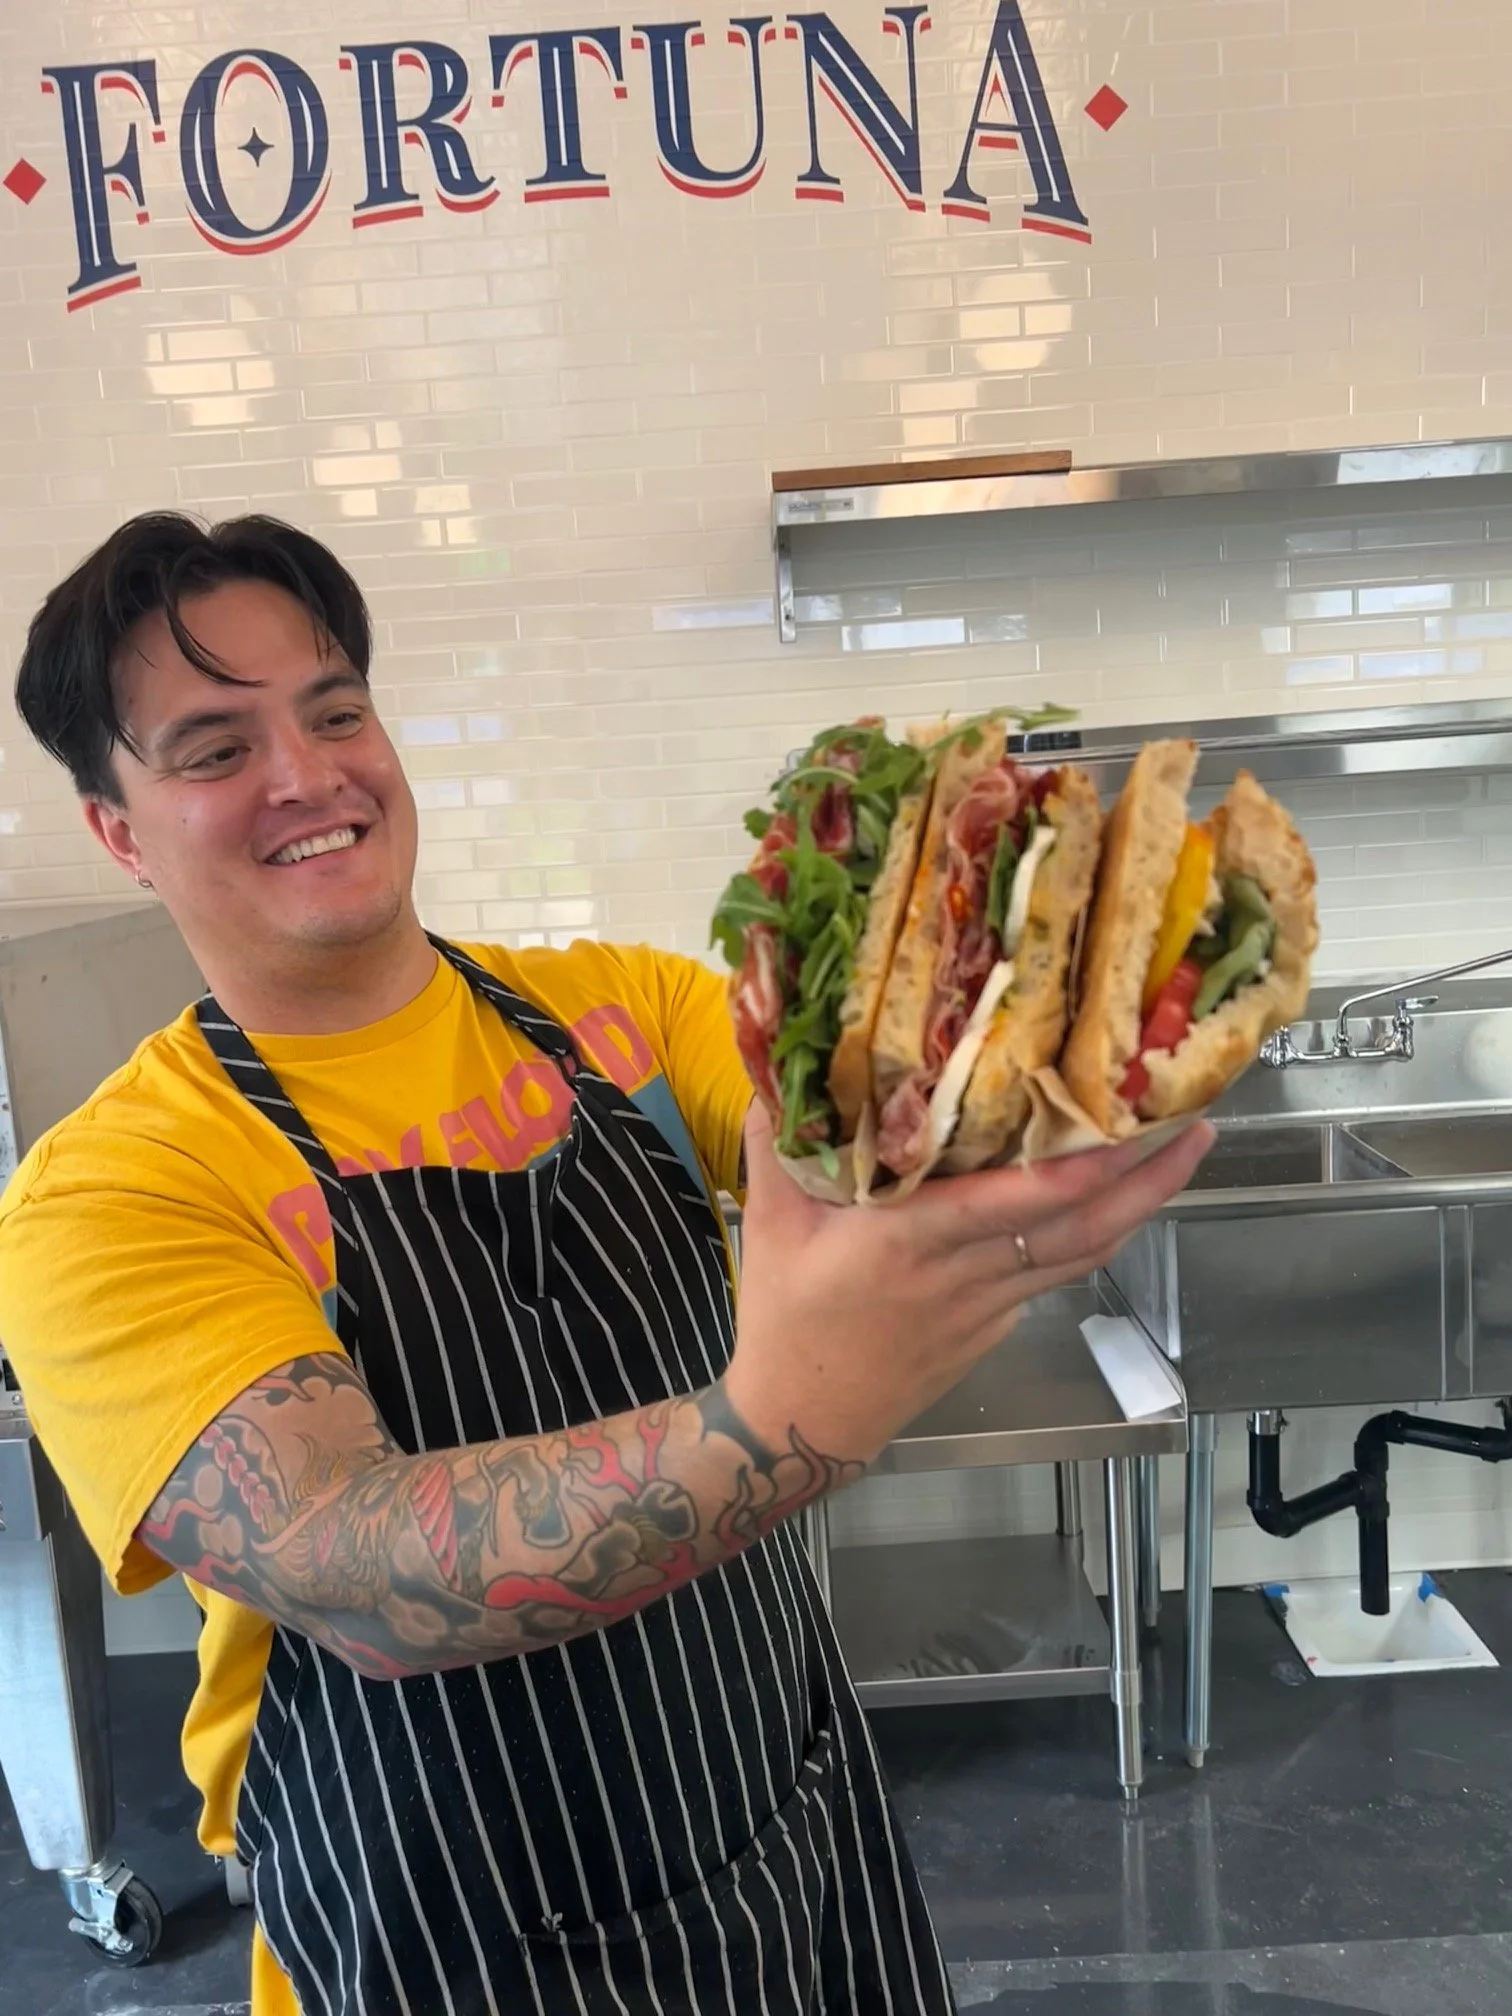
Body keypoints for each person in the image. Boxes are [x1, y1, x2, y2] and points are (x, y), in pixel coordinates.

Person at [0, 513, 1212, 2016]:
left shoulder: (618, 1015)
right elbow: (351, 1568)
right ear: (120, 831)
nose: (307, 775)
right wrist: (782, 1424)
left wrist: (1007, 965)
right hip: (454, 1930)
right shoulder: (113, 1192)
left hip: (779, 1823)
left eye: (335, 712)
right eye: (216, 750)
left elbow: (877, 1129)